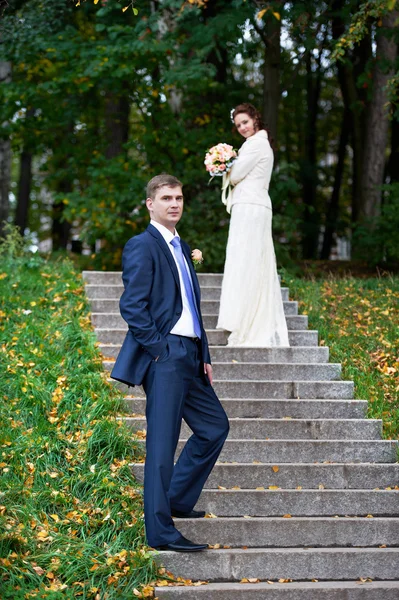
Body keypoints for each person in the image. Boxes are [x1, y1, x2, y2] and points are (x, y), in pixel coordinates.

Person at [111, 174, 229, 552]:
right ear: (150, 204)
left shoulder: (182, 246)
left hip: (191, 355)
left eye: (178, 197)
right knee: (162, 448)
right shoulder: (141, 245)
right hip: (165, 357)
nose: (174, 203)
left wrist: (204, 355)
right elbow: (132, 305)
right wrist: (159, 349)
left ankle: (177, 499)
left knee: (214, 428)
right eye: (166, 198)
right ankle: (161, 532)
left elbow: (191, 307)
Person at [216, 103, 290, 347]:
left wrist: (225, 163)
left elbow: (236, 175)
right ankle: (243, 317)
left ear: (255, 119)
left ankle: (246, 323)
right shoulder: (258, 143)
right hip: (253, 205)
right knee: (248, 260)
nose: (242, 128)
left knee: (245, 260)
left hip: (250, 206)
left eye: (245, 122)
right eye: (238, 125)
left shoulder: (256, 143)